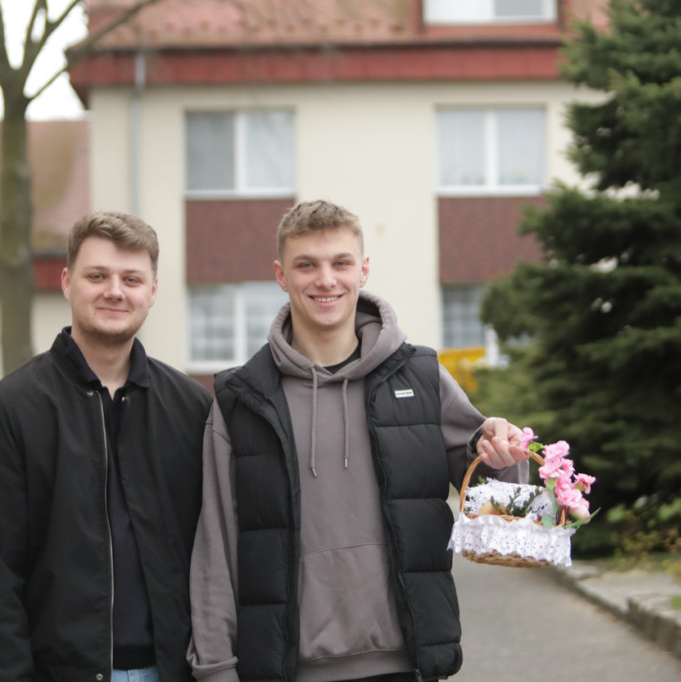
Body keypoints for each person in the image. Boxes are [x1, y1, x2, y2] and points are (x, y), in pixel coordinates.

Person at [187, 199, 529, 682]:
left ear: (363, 269)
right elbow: (216, 546)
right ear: (282, 276)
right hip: (284, 669)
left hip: (403, 663)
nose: (326, 280)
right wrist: (216, 669)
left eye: (341, 263)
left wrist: (503, 455)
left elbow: (504, 514)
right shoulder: (243, 398)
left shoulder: (421, 376)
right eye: (307, 265)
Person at [0, 211, 212, 682]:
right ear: (68, 282)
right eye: (98, 276)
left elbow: (216, 557)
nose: (115, 290)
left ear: (152, 292)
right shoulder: (8, 412)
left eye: (132, 278)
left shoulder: (193, 410)